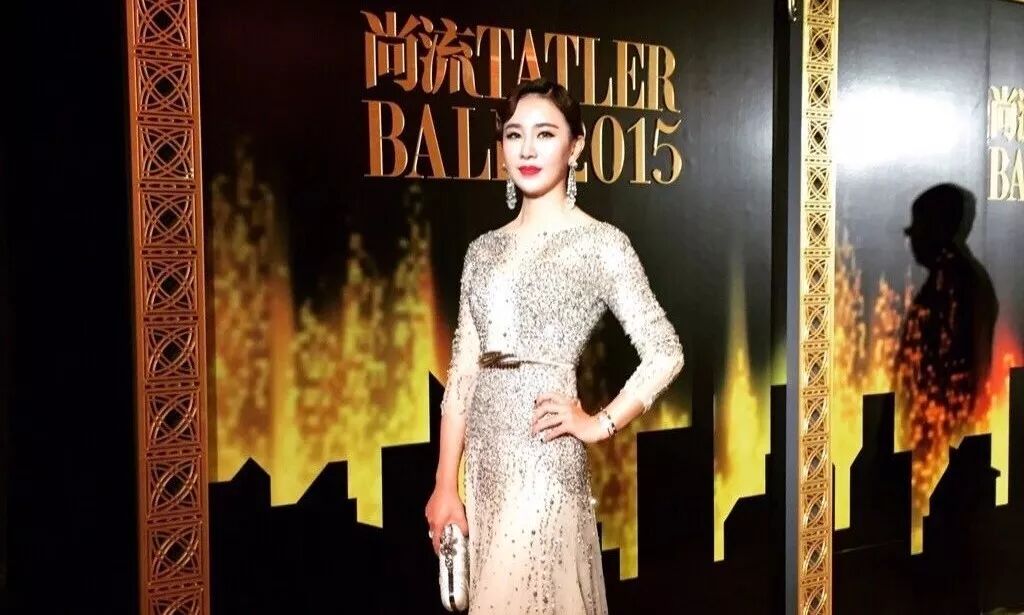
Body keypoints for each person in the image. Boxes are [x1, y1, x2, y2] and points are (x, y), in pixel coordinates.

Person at [424, 78, 685, 614]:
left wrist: (599, 423)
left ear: (576, 146)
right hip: (485, 470)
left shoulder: (602, 245)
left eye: (545, 134)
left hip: (545, 456)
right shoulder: (482, 251)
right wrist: (445, 483)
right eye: (514, 134)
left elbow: (665, 351)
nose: (527, 149)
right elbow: (463, 374)